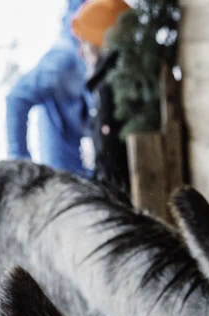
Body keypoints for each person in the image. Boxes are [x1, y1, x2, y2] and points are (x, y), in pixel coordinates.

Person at [5, 0, 91, 177]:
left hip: (80, 171)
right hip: (62, 174)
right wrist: (20, 168)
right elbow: (17, 98)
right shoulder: (64, 57)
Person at [72, 0, 131, 193]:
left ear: (100, 42)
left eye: (84, 41)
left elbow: (111, 168)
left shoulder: (109, 89)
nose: (80, 52)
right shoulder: (114, 81)